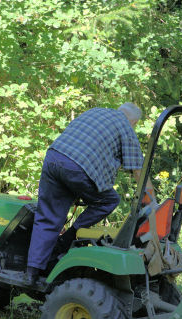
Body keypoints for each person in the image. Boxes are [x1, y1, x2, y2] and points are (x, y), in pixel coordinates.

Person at [25, 103, 153, 285]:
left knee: (48, 217)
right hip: (78, 167)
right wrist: (152, 203)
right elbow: (139, 172)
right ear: (133, 122)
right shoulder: (126, 127)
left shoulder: (96, 111)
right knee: (109, 200)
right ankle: (68, 239)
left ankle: (31, 272)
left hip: (54, 157)